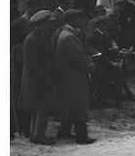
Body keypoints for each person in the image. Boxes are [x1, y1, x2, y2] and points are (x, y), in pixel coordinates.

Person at [54, 9, 97, 144]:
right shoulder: (69, 36)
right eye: (78, 18)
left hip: (69, 76)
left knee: (72, 105)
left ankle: (64, 131)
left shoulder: (67, 34)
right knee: (79, 105)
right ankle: (81, 135)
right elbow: (78, 57)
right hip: (74, 76)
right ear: (72, 20)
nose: (81, 21)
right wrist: (90, 66)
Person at [20, 10, 58, 145]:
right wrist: (44, 78)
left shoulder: (40, 36)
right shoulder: (33, 39)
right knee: (42, 108)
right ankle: (38, 136)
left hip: (39, 78)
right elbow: (32, 64)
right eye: (48, 24)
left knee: (38, 108)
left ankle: (35, 134)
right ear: (41, 24)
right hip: (36, 79)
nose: (50, 26)